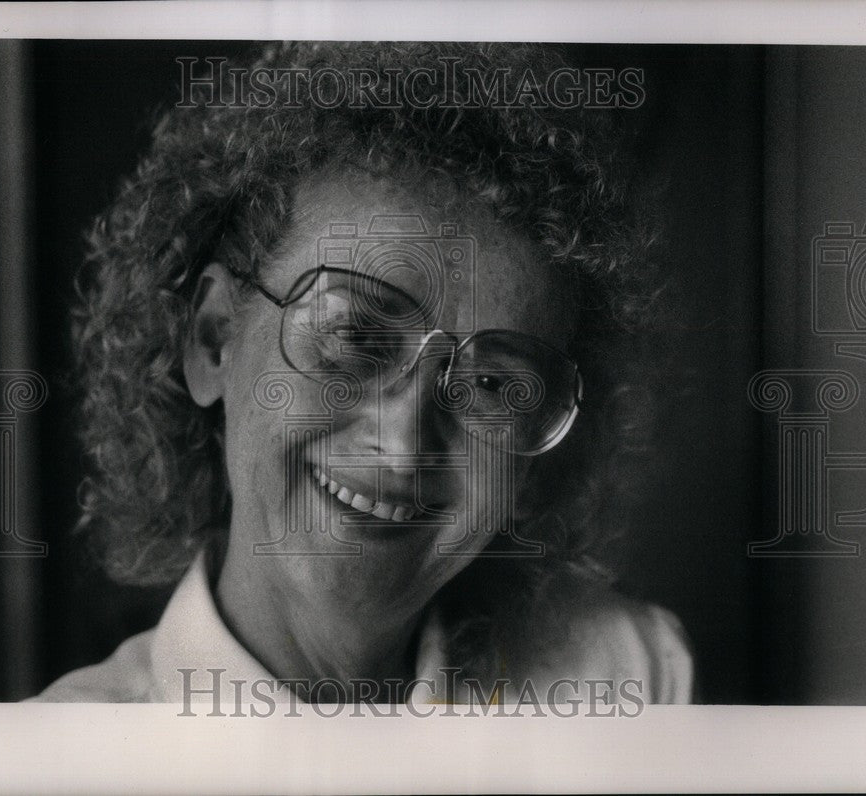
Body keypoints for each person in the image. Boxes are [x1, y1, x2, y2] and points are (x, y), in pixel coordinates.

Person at [34, 42, 693, 705]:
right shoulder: (55, 765)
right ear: (213, 342)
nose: (404, 445)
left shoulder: (626, 678)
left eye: (492, 384)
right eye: (354, 336)